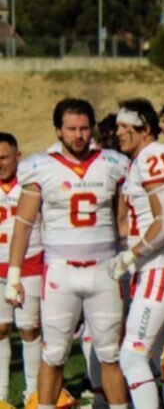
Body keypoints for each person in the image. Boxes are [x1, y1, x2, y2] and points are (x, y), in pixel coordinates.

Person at [5, 98, 130, 409]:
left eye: (84, 128)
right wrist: (14, 274)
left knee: (110, 354)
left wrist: (130, 255)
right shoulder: (40, 166)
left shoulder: (113, 163)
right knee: (54, 353)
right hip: (60, 271)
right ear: (58, 131)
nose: (78, 135)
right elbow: (23, 225)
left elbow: (125, 218)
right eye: (71, 128)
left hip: (105, 270)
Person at [111, 99, 164, 407]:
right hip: (157, 265)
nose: (117, 133)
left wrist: (131, 254)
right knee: (161, 355)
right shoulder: (142, 158)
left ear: (143, 129)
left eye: (124, 127)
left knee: (132, 354)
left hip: (162, 264)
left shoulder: (154, 155)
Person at [0, 132, 42, 403]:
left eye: (3, 157)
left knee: (29, 329)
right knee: (1, 329)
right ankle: (1, 396)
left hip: (29, 264)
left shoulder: (32, 185)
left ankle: (33, 396)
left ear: (18, 156)